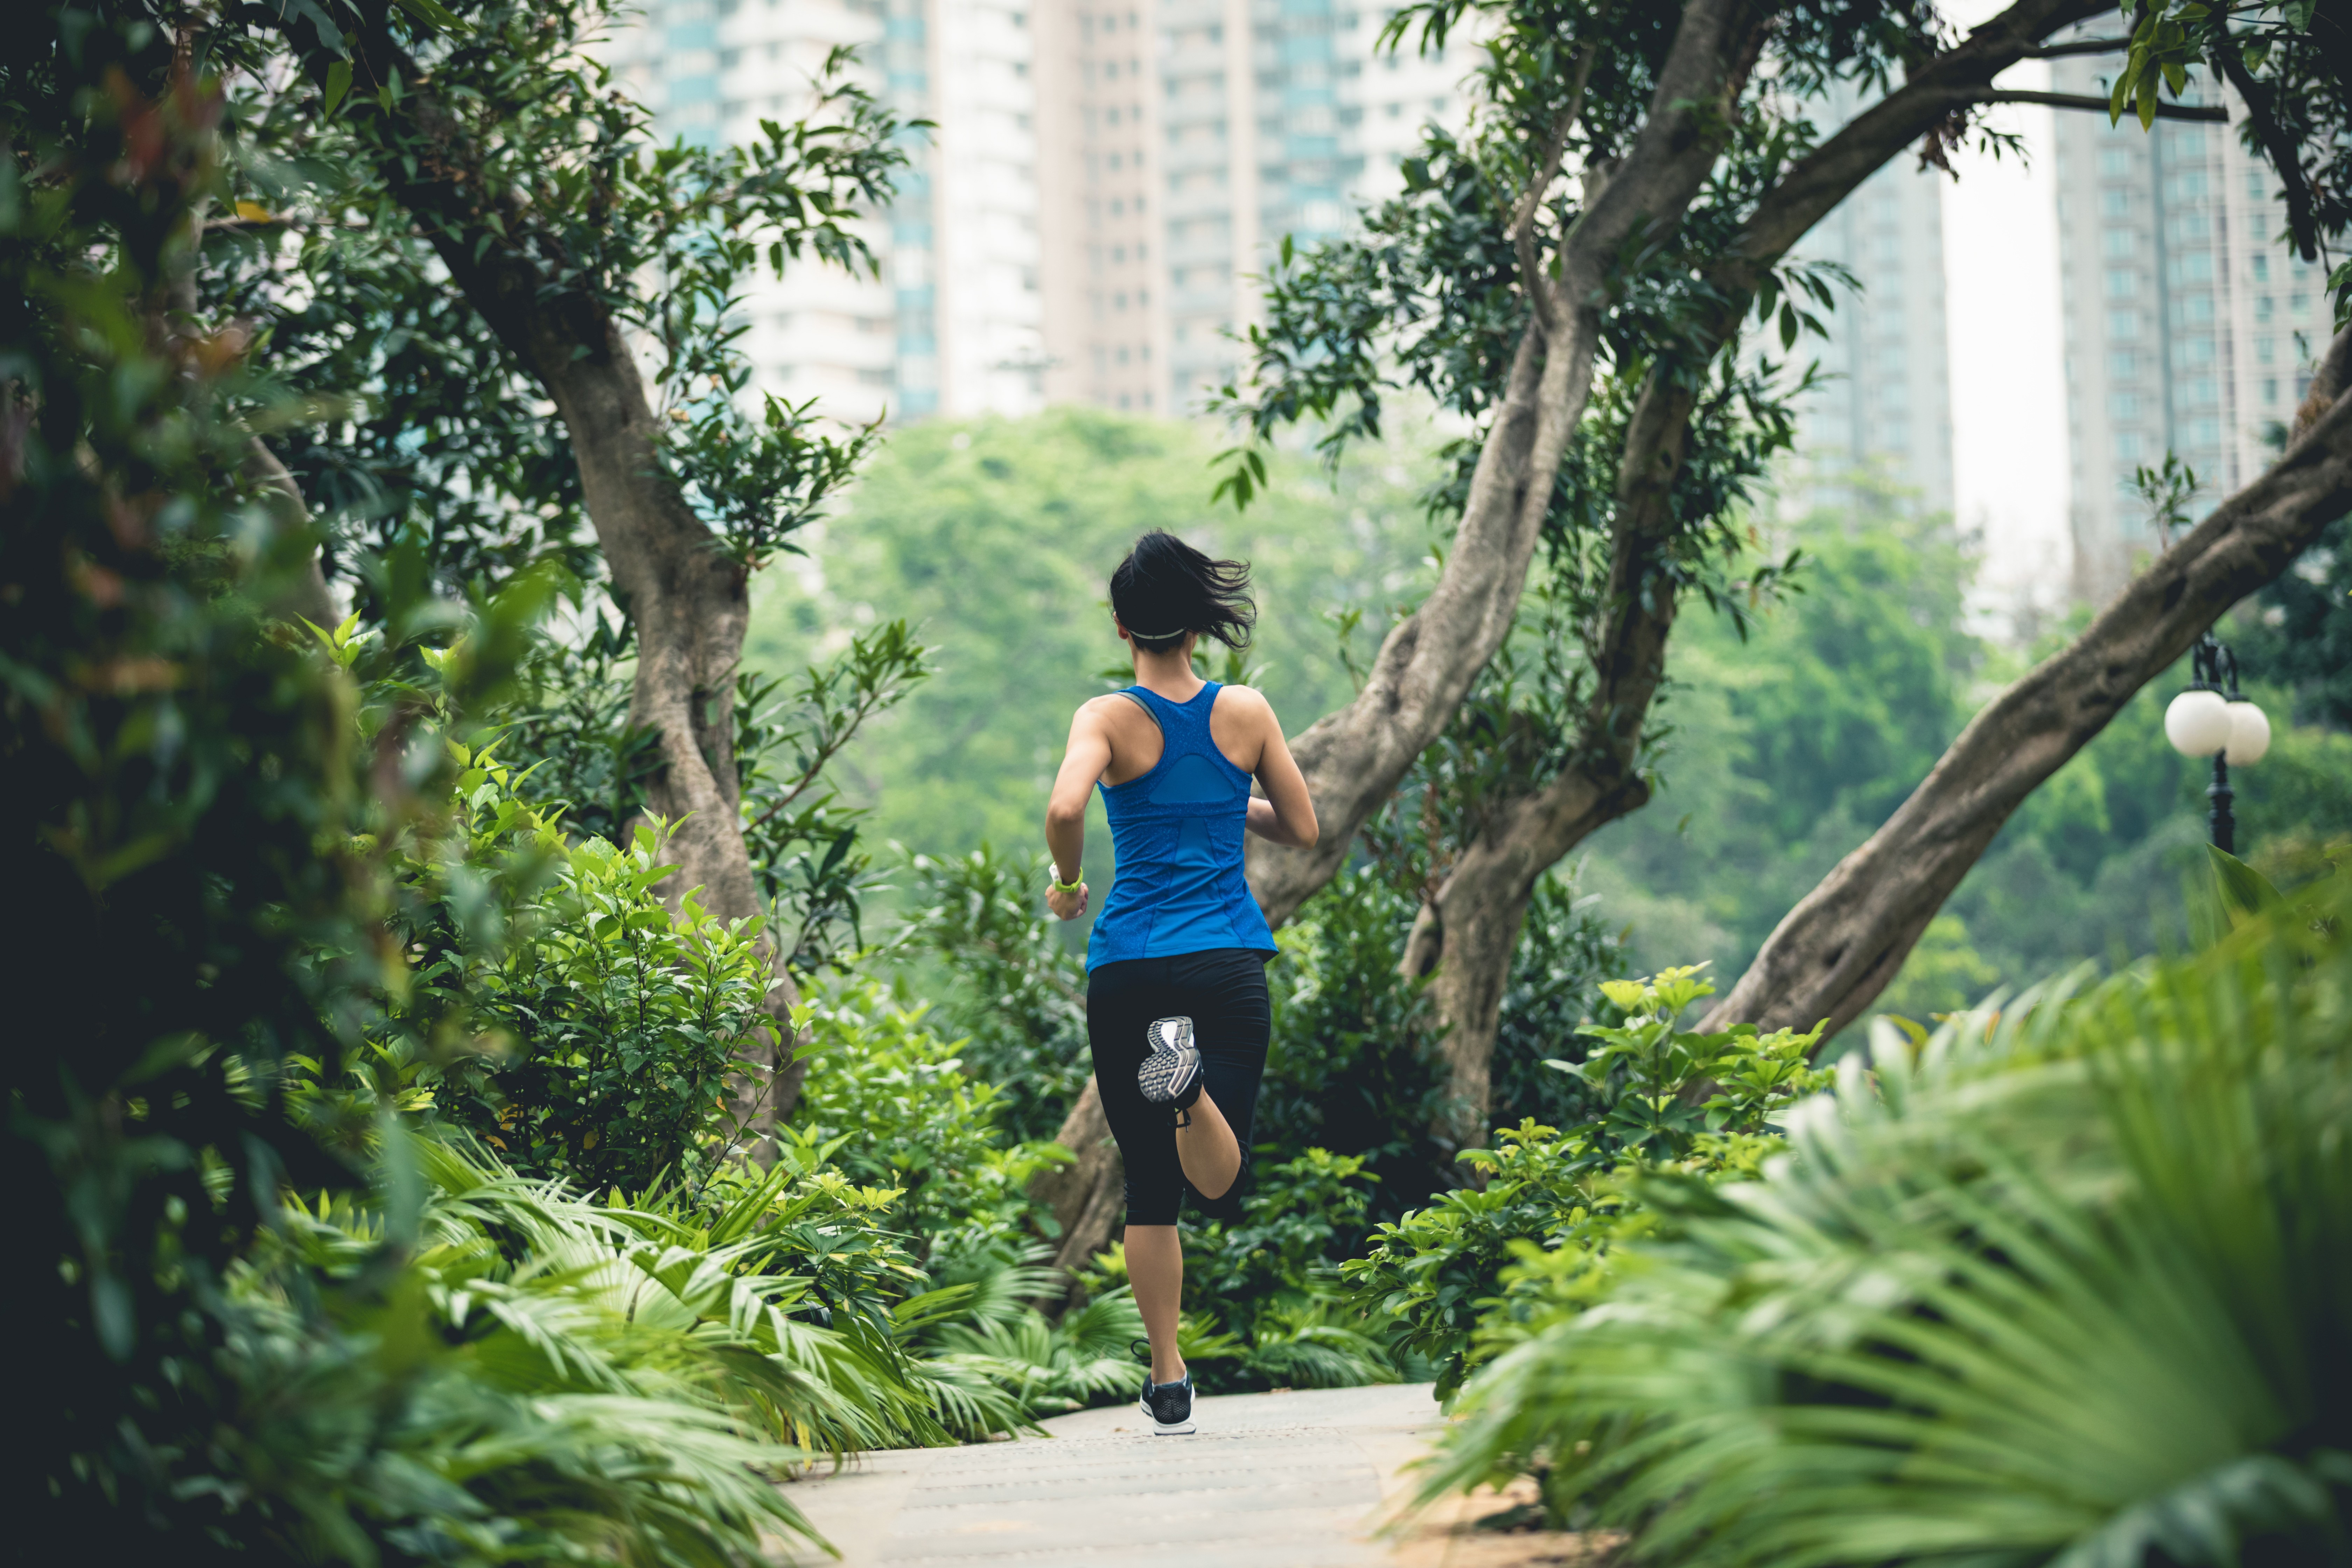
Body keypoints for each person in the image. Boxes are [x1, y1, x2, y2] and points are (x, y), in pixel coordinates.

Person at [1043, 530, 1317, 1437]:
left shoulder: (1107, 718)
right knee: (1219, 1172)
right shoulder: (1246, 711)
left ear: (1122, 625)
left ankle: (1167, 1374)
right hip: (1226, 960)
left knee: (1150, 1188)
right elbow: (1302, 825)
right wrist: (1220, 796)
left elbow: (1066, 807)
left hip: (1130, 965)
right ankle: (1190, 1087)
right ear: (1199, 625)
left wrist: (1070, 884)